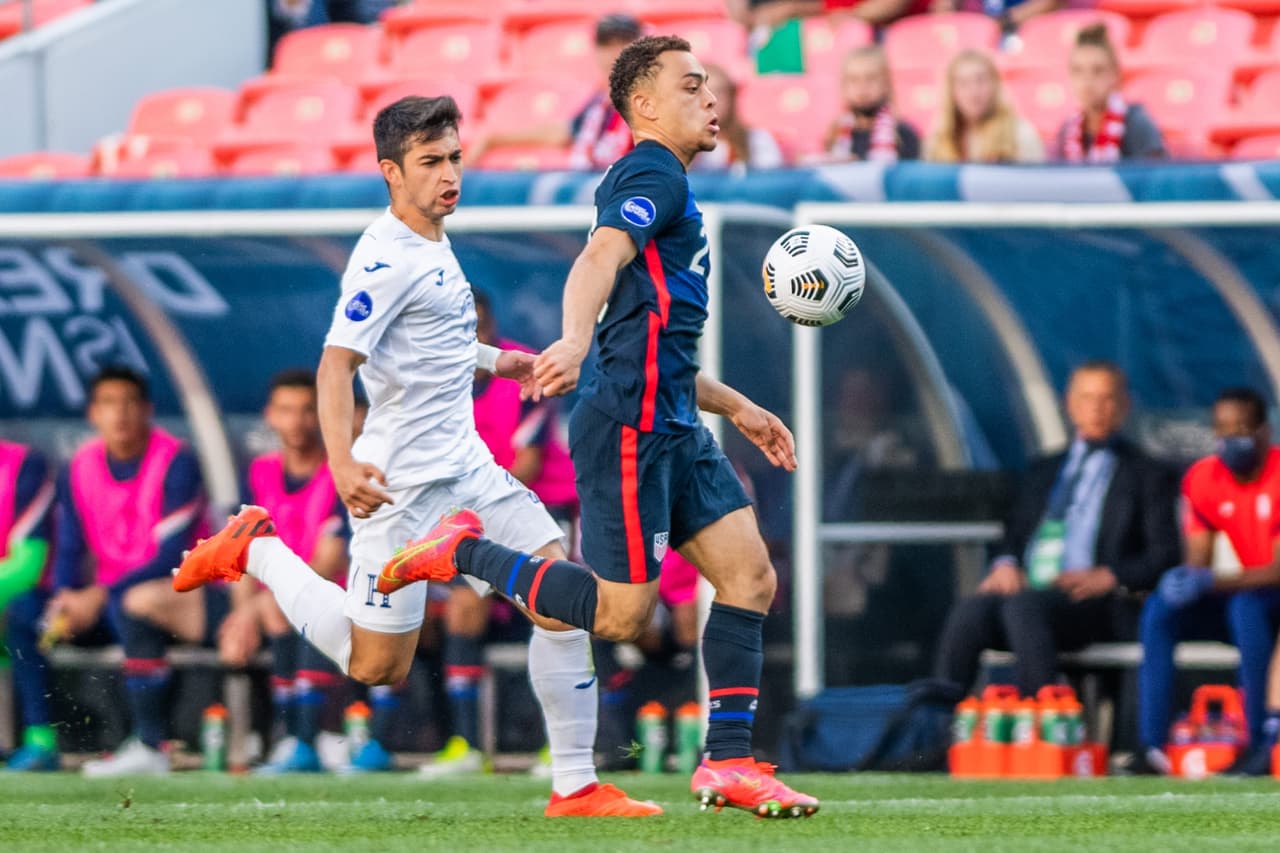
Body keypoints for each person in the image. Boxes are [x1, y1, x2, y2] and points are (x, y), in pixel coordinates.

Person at [174, 95, 658, 817]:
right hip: (399, 491)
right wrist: (341, 463)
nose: (449, 174)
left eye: (455, 158)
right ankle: (261, 549)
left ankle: (575, 784)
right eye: (431, 163)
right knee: (377, 665)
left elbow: (435, 344)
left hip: (469, 472)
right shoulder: (384, 258)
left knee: (558, 597)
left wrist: (502, 363)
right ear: (391, 172)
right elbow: (335, 366)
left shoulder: (434, 241)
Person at [374, 36, 819, 818]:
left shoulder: (673, 183)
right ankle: (461, 549)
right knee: (621, 614)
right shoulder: (650, 172)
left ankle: (729, 762)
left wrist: (738, 405)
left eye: (708, 84)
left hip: (675, 420)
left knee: (749, 576)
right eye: (690, 86)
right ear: (643, 105)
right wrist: (573, 338)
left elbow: (655, 339)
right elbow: (598, 258)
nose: (710, 99)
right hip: (627, 428)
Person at [7, 366, 223, 776]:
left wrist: (98, 595)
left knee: (129, 605)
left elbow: (173, 556)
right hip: (101, 600)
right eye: (108, 403)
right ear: (93, 413)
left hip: (170, 597)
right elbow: (69, 544)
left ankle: (147, 741)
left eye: (129, 402)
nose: (120, 413)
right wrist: (66, 597)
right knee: (24, 612)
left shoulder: (176, 460)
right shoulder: (79, 466)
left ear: (148, 409)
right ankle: (41, 738)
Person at [933, 361, 1179, 697]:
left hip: (1095, 603)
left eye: (1106, 399)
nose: (1096, 408)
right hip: (1030, 596)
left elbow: (1165, 555)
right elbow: (1014, 534)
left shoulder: (1147, 475)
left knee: (1023, 607)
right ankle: (936, 728)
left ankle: (1045, 722)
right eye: (1087, 398)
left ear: (1124, 406)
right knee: (970, 611)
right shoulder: (1044, 469)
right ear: (1070, 405)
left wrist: (1109, 575)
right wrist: (1005, 564)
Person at [420, 289, 580, 778]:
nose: (472, 338)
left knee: (553, 611)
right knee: (459, 609)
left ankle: (565, 746)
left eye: (478, 328)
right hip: (472, 516)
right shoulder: (435, 382)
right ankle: (467, 745)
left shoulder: (519, 371)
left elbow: (525, 465)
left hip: (537, 506)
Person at [229, 369, 372, 774]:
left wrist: (265, 602)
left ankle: (309, 740)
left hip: (341, 594)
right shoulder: (257, 473)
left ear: (323, 415)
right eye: (286, 410)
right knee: (260, 619)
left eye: (308, 410)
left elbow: (330, 558)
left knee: (289, 609)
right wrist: (242, 611)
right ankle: (285, 738)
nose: (297, 421)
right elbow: (239, 549)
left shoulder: (342, 472)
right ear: (270, 416)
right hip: (274, 600)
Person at [1136, 388, 1280, 775]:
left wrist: (1211, 580)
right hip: (1241, 593)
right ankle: (1151, 747)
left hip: (1269, 597)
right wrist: (1185, 578)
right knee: (1161, 609)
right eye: (1222, 429)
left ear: (1265, 431)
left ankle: (1257, 744)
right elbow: (1199, 559)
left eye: (1242, 429)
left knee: (1247, 607)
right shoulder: (1203, 478)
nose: (1231, 439)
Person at [467, 13, 642, 170]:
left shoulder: (648, 101)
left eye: (623, 42)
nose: (614, 52)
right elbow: (564, 132)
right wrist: (494, 139)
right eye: (606, 44)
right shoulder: (600, 103)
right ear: (596, 50)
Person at [0, 439, 57, 770]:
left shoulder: (23, 465)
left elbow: (29, 565)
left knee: (23, 610)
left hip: (35, 596)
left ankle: (40, 741)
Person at [1055, 23, 1166, 163]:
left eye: (1098, 70)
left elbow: (1155, 180)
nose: (1087, 80)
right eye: (1078, 71)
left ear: (1114, 75)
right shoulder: (1066, 130)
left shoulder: (1136, 124)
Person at [924, 49, 1045, 164]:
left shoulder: (1021, 135)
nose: (973, 91)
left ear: (995, 85)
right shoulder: (937, 140)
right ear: (951, 91)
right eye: (963, 83)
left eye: (981, 80)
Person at [822, 45, 920, 162]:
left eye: (871, 78)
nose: (862, 87)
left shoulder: (902, 134)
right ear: (844, 86)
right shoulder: (835, 133)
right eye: (854, 80)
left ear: (886, 84)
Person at [691, 64, 786, 174]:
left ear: (731, 97)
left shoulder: (756, 141)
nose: (710, 100)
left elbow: (771, 184)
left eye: (719, 92)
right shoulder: (675, 147)